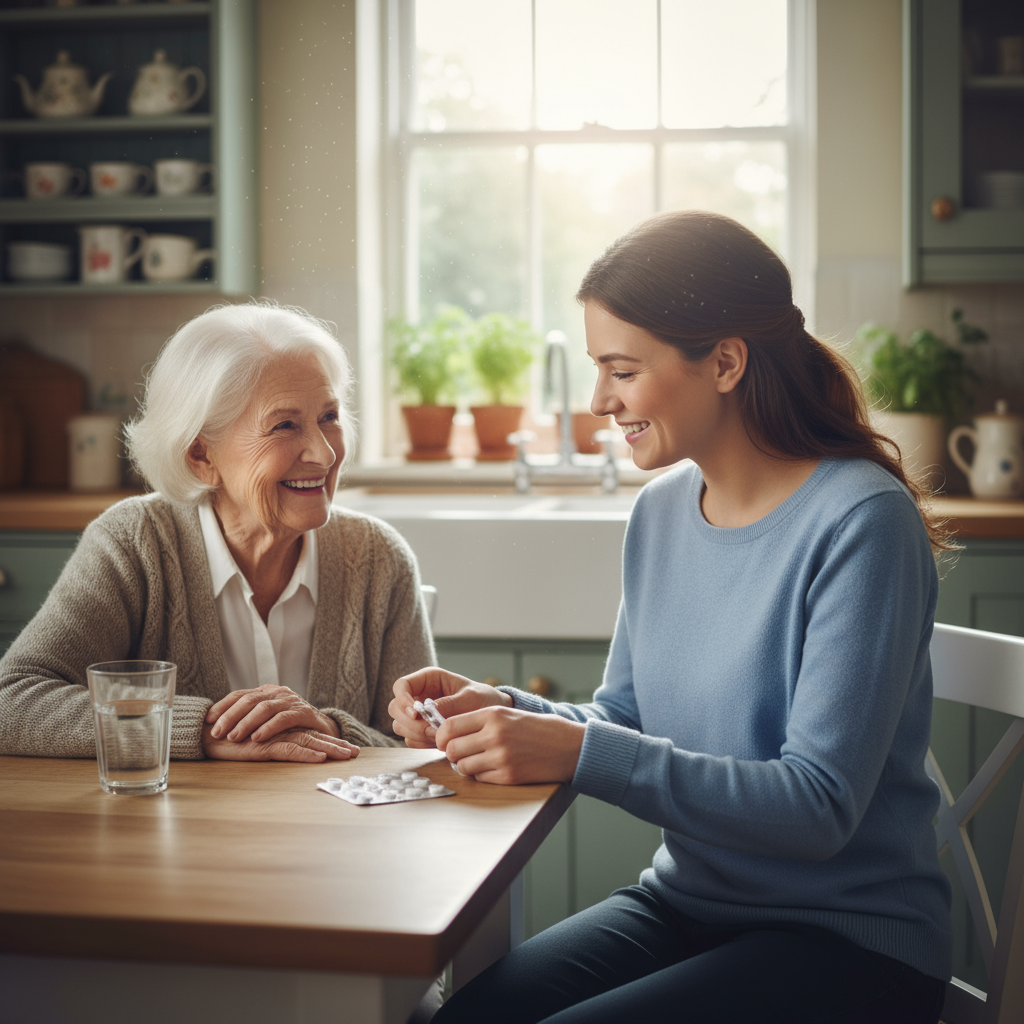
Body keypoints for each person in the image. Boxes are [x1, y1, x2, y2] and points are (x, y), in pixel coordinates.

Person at [390, 211, 952, 1024]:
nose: (596, 401)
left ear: (724, 362)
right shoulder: (659, 511)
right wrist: (504, 713)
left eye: (621, 370)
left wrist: (579, 749)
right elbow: (622, 719)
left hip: (850, 945)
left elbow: (818, 807)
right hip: (690, 906)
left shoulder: (861, 521)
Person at [0, 301, 434, 763]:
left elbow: (423, 744)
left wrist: (326, 728)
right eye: (285, 425)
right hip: (177, 833)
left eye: (329, 416)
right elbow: (11, 702)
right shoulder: (134, 542)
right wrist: (203, 730)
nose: (324, 454)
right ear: (201, 456)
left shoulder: (377, 556)